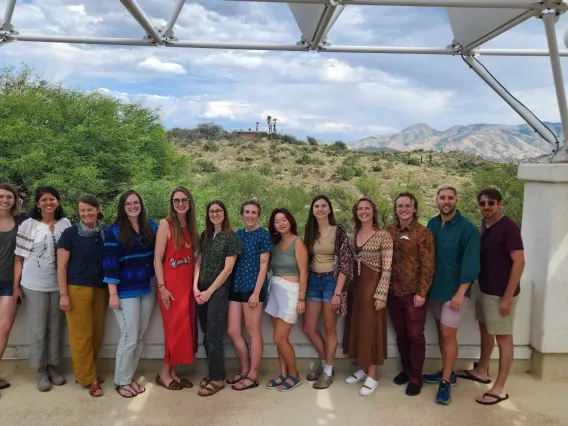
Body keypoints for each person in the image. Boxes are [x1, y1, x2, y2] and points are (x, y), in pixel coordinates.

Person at [457, 188, 525, 406]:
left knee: (504, 339)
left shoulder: (509, 227)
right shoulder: (486, 225)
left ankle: (500, 387)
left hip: (500, 294)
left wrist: (506, 296)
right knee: (485, 330)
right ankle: (482, 370)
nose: (486, 207)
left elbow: (519, 262)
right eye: (482, 203)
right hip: (485, 290)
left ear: (500, 204)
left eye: (491, 203)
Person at [423, 184, 480, 405]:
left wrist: (461, 293)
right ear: (436, 200)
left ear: (456, 200)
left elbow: (471, 264)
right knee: (441, 331)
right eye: (442, 197)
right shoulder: (432, 224)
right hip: (435, 291)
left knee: (448, 335)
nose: (446, 201)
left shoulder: (467, 229)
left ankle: (446, 382)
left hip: (455, 293)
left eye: (450, 198)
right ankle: (447, 371)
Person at [13, 186, 71, 392]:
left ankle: (53, 367)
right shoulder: (28, 225)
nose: (48, 202)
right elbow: (19, 258)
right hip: (34, 285)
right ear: (37, 203)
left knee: (56, 329)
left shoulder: (65, 223)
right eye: (44, 199)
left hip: (59, 286)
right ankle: (40, 371)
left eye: (52, 199)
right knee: (38, 331)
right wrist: (16, 287)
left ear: (58, 202)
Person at [103, 190, 158, 399]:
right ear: (123, 207)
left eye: (136, 203)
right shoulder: (114, 231)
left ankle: (128, 376)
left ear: (141, 205)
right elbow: (110, 264)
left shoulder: (151, 227)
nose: (133, 206)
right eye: (128, 204)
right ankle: (121, 381)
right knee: (129, 337)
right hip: (125, 292)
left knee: (140, 337)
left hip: (148, 288)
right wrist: (113, 294)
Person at [57, 195, 108, 397]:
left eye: (90, 209)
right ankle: (89, 379)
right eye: (82, 210)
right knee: (82, 336)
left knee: (97, 335)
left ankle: (86, 372)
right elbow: (61, 266)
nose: (86, 213)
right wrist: (63, 294)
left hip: (101, 289)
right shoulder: (70, 234)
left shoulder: (105, 232)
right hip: (76, 289)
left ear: (97, 210)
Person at [302, 195, 353, 389]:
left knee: (329, 328)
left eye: (324, 206)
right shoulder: (310, 231)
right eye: (317, 206)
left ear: (329, 210)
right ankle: (325, 365)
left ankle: (328, 371)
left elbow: (346, 264)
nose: (320, 209)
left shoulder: (338, 232)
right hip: (314, 281)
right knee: (308, 327)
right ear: (312, 210)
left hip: (332, 281)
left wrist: (338, 292)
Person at [386, 193, 435, 396]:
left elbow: (428, 265)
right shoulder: (389, 230)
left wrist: (422, 292)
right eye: (400, 206)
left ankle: (416, 377)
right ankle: (406, 370)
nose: (403, 209)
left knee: (415, 336)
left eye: (407, 206)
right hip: (393, 293)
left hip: (414, 294)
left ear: (414, 209)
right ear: (395, 209)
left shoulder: (423, 233)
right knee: (401, 335)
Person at [344, 198, 392, 396]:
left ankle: (373, 375)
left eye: (367, 208)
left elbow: (387, 268)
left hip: (373, 287)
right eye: (360, 209)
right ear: (356, 212)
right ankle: (363, 369)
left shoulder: (383, 235)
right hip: (356, 287)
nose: (363, 211)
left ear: (374, 211)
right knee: (358, 328)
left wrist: (381, 294)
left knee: (371, 329)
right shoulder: (353, 234)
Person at [154, 186, 199, 391]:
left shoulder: (191, 225)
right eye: (176, 200)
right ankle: (164, 373)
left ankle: (174, 373)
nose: (180, 203)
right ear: (172, 204)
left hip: (188, 286)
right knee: (173, 331)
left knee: (184, 330)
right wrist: (162, 287)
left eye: (184, 200)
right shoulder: (166, 224)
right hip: (171, 287)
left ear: (190, 203)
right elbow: (157, 258)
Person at [194, 200, 240, 397]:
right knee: (206, 334)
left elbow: (228, 269)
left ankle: (218, 378)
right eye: (211, 211)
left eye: (218, 210)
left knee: (214, 335)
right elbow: (199, 262)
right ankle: (213, 372)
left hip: (218, 291)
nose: (215, 214)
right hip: (201, 290)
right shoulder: (205, 235)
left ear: (224, 213)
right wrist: (195, 287)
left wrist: (209, 291)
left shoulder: (231, 237)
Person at [227, 200, 271, 391]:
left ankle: (253, 373)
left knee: (253, 331)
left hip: (254, 288)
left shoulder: (263, 234)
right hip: (236, 286)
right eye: (247, 212)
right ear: (242, 214)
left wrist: (255, 293)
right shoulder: (238, 235)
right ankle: (244, 368)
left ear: (258, 215)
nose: (250, 215)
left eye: (254, 212)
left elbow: (264, 265)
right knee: (233, 331)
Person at [265, 208, 308, 392]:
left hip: (291, 292)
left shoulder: (298, 243)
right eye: (277, 221)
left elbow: (304, 272)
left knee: (279, 338)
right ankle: (283, 374)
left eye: (284, 219)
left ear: (290, 221)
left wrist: (301, 299)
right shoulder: (274, 244)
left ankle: (294, 375)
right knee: (279, 339)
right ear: (273, 225)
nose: (281, 223)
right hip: (275, 290)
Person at [0, 183, 28, 397]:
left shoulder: (22, 221)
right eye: (1, 196)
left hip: (11, 283)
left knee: (4, 328)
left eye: (9, 196)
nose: (5, 200)